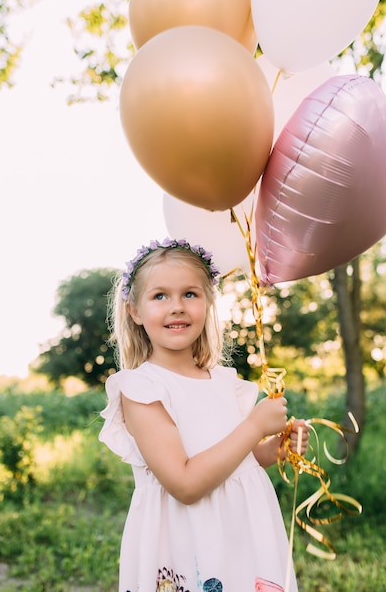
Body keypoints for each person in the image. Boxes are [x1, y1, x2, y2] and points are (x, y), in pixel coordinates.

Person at [99, 237, 309, 592]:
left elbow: (240, 460)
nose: (177, 307)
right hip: (187, 542)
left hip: (241, 534)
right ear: (134, 310)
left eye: (190, 294)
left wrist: (278, 446)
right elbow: (185, 484)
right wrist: (255, 424)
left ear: (209, 302)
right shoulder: (142, 390)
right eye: (160, 296)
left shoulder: (225, 382)